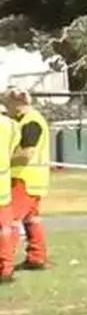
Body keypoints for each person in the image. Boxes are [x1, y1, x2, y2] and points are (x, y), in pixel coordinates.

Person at [6, 88, 50, 271]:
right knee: (32, 220)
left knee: (10, 222)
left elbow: (26, 153)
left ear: (16, 103)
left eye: (7, 104)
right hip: (34, 180)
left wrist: (4, 160)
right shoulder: (25, 120)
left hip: (24, 179)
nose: (5, 108)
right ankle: (37, 257)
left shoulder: (31, 122)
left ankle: (4, 264)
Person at [0, 111, 18, 283]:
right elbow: (13, 149)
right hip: (3, 180)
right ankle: (6, 267)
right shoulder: (11, 124)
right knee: (4, 228)